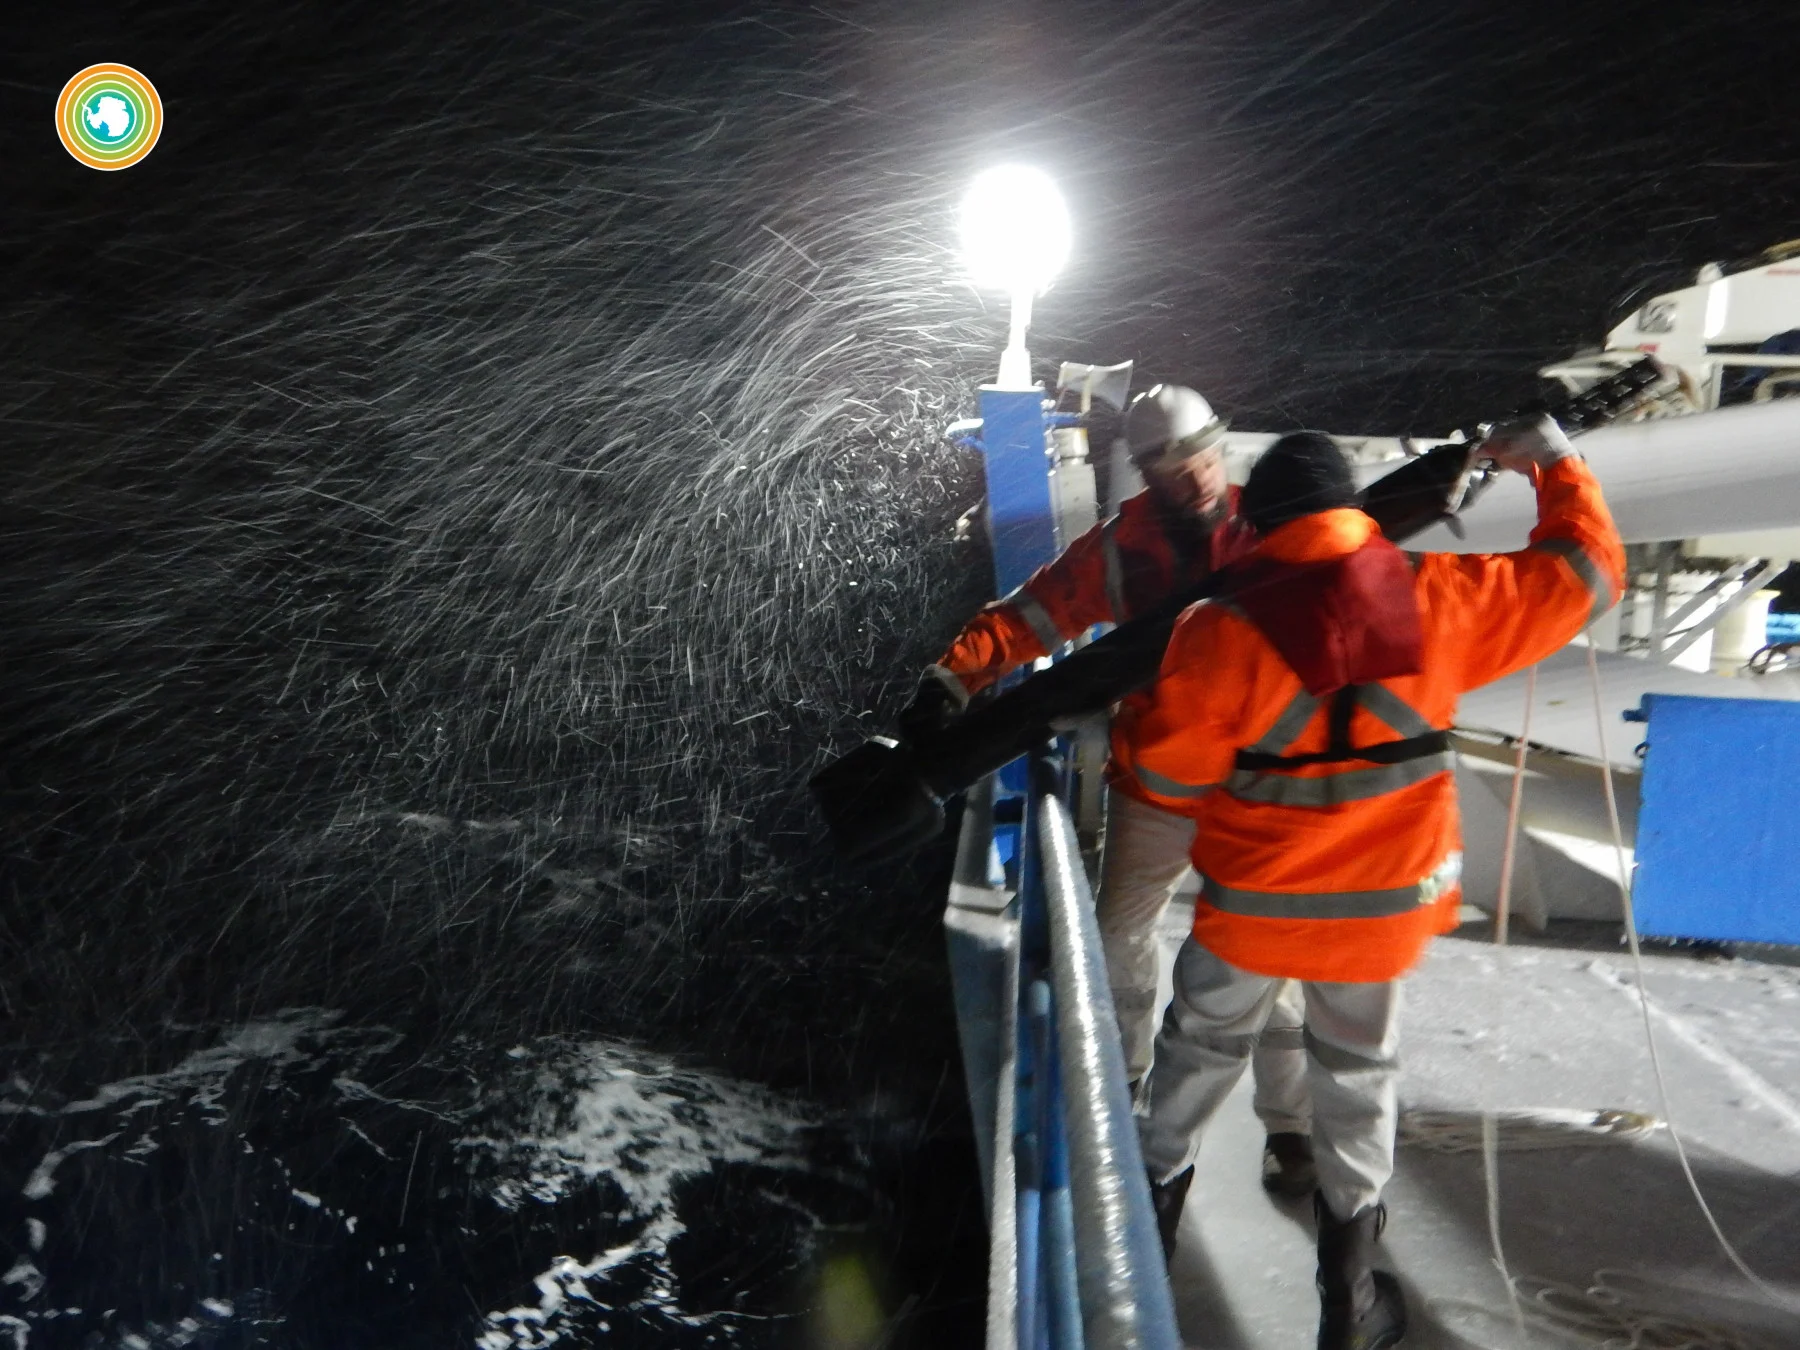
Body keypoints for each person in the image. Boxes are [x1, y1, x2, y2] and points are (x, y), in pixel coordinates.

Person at [1114, 418, 1623, 1349]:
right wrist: (1554, 464)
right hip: (1381, 910)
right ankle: (1348, 1306)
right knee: (1356, 1077)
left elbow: (1166, 778)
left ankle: (1138, 1244)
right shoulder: (1443, 596)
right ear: (1350, 509)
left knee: (1196, 1053)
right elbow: (1586, 571)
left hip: (1253, 908)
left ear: (1262, 522)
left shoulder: (1216, 629)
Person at [903, 384, 1317, 1196]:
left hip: (1256, 779)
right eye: (1171, 469)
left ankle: (1292, 1128)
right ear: (1145, 476)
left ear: (1221, 449)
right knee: (1120, 933)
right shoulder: (1118, 551)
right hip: (1160, 774)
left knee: (1274, 958)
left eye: (1201, 458)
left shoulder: (1269, 525)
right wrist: (950, 677)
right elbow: (1032, 615)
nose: (1194, 479)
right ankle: (1121, 1094)